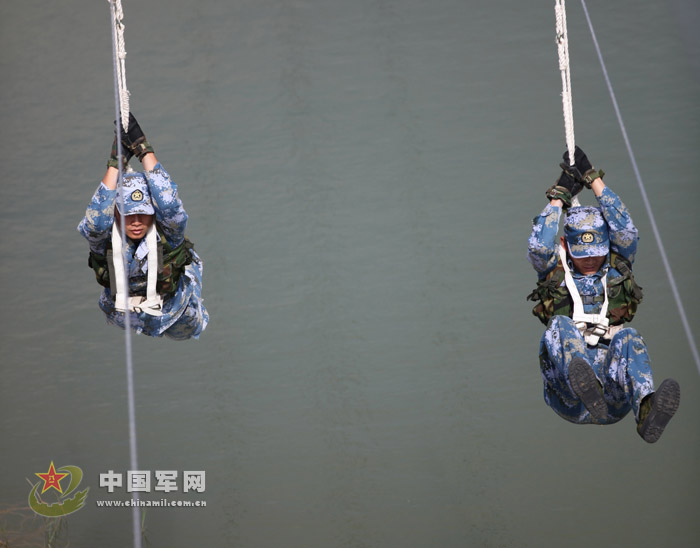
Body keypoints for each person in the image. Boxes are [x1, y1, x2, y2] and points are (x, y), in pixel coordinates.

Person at [527, 146, 679, 443]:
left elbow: (626, 231)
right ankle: (585, 384)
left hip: (612, 399)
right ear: (566, 244)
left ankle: (645, 410)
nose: (590, 260)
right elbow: (537, 246)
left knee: (629, 338)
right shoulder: (554, 268)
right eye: (582, 254)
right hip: (569, 398)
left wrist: (593, 179)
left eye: (596, 252)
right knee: (560, 326)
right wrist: (559, 197)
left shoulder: (617, 264)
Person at [78, 114, 208, 340]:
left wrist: (143, 149)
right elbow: (96, 220)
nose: (136, 222)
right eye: (129, 215)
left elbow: (167, 203)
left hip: (175, 308)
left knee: (189, 331)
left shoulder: (168, 233)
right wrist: (115, 163)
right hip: (123, 313)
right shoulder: (106, 237)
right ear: (117, 213)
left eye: (143, 214)